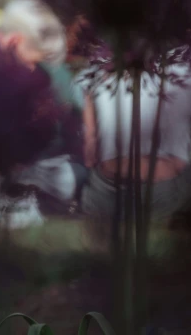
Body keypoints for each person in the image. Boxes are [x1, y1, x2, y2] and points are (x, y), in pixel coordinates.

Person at [0, 0, 88, 228]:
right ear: (13, 41)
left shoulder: (51, 73)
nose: (36, 68)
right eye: (33, 60)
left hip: (43, 171)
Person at [78, 60, 191, 224]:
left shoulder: (94, 71)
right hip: (165, 191)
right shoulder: (185, 69)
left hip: (108, 191)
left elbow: (90, 149)